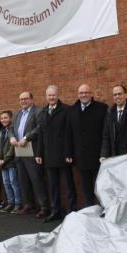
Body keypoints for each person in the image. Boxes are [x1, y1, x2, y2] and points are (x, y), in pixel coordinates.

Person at [65, 84, 108, 208]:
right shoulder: (72, 110)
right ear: (78, 95)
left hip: (98, 156)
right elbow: (68, 133)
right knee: (86, 187)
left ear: (91, 94)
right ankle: (90, 210)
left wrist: (105, 153)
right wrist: (68, 153)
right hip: (80, 157)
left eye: (86, 92)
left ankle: (103, 210)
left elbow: (106, 133)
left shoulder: (102, 108)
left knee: (100, 186)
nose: (83, 95)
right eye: (81, 93)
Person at [9, 91, 50, 218]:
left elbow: (39, 128)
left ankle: (44, 207)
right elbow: (10, 129)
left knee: (36, 179)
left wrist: (27, 137)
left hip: (32, 150)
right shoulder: (17, 114)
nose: (23, 101)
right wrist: (11, 138)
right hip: (19, 151)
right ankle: (29, 205)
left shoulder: (38, 111)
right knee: (23, 180)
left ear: (32, 99)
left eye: (26, 99)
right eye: (21, 99)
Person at [39, 85, 75, 222]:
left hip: (64, 155)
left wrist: (69, 153)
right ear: (46, 97)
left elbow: (69, 134)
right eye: (49, 95)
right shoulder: (43, 112)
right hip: (49, 156)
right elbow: (41, 134)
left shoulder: (66, 110)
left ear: (58, 95)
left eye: (53, 95)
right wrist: (39, 154)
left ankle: (71, 212)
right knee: (53, 186)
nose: (51, 98)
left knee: (68, 185)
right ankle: (55, 211)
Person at [100, 84, 127, 161]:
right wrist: (104, 155)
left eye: (119, 94)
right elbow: (106, 136)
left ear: (126, 95)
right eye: (115, 95)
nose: (117, 96)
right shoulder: (109, 113)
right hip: (115, 156)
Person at [0, 110, 22, 213]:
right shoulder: (1, 132)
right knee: (6, 183)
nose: (3, 120)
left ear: (10, 118)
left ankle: (18, 203)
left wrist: (5, 159)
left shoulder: (13, 130)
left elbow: (12, 147)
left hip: (11, 162)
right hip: (2, 163)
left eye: (5, 117)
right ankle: (10, 203)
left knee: (13, 182)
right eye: (2, 118)